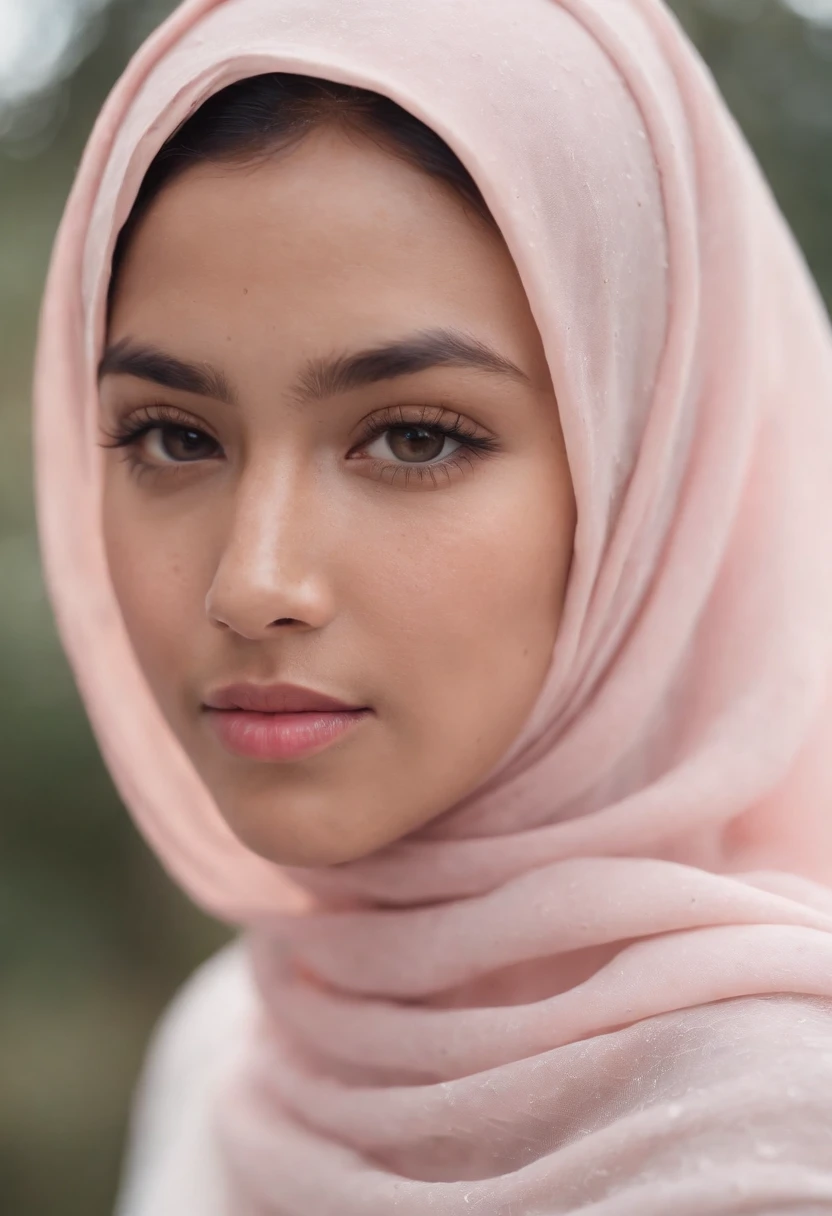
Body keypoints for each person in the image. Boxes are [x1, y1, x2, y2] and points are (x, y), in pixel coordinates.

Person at [33, 0, 832, 1211]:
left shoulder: (778, 1126)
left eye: (414, 436)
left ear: (647, 475)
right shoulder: (241, 1045)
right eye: (174, 434)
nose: (254, 581)